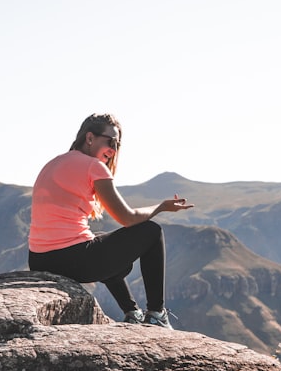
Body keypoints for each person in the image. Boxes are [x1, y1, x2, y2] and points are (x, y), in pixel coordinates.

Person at [27, 113, 193, 328]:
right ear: (90, 138)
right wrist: (161, 207)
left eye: (118, 144)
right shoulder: (93, 166)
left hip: (40, 260)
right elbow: (127, 218)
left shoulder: (54, 163)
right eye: (111, 141)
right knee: (151, 231)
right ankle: (157, 315)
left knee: (99, 241)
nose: (114, 150)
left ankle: (132, 312)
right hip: (72, 261)